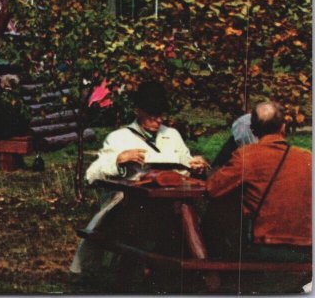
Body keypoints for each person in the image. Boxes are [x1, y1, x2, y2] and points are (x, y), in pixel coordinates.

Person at [70, 80, 209, 276]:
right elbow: (92, 175)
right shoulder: (119, 138)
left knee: (186, 208)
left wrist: (196, 165)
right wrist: (119, 160)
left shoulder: (172, 135)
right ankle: (199, 268)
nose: (158, 121)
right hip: (130, 205)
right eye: (152, 116)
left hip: (171, 200)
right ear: (138, 111)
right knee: (171, 212)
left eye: (161, 115)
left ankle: (196, 268)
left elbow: (184, 165)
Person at [205, 101, 311, 264]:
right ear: (283, 128)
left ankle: (211, 277)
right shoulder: (307, 158)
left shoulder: (247, 156)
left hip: (264, 246)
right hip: (306, 247)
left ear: (253, 130)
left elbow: (212, 189)